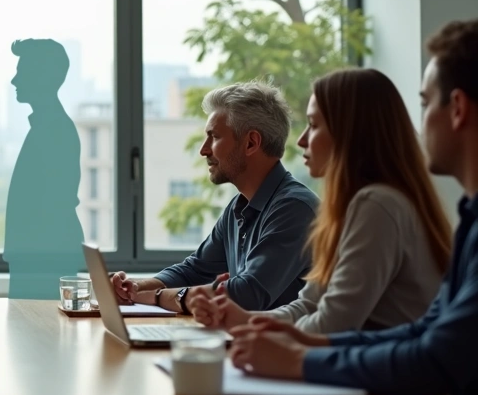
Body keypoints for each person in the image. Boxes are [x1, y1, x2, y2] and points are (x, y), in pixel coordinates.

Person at [228, 19, 478, 395]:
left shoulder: (377, 204)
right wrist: (275, 332)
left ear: (458, 108)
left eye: (426, 104)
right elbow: (423, 331)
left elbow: (436, 356)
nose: (301, 141)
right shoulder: (468, 216)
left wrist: (298, 357)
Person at [190, 69, 452, 334]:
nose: (302, 139)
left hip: (392, 373)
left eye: (313, 126)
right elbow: (308, 306)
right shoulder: (352, 207)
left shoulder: (377, 204)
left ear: (350, 134)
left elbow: (333, 324)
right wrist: (236, 318)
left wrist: (256, 333)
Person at [109, 81, 318, 313]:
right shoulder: (239, 207)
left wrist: (159, 297)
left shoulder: (294, 209)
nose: (204, 150)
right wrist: (135, 288)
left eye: (214, 137)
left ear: (251, 143)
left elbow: (247, 294)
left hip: (283, 348)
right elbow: (195, 270)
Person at [3, 39, 85, 299]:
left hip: (43, 257)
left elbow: (51, 204)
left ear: (41, 77)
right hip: (37, 254)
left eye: (22, 72)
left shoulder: (55, 131)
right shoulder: (47, 127)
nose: (15, 81)